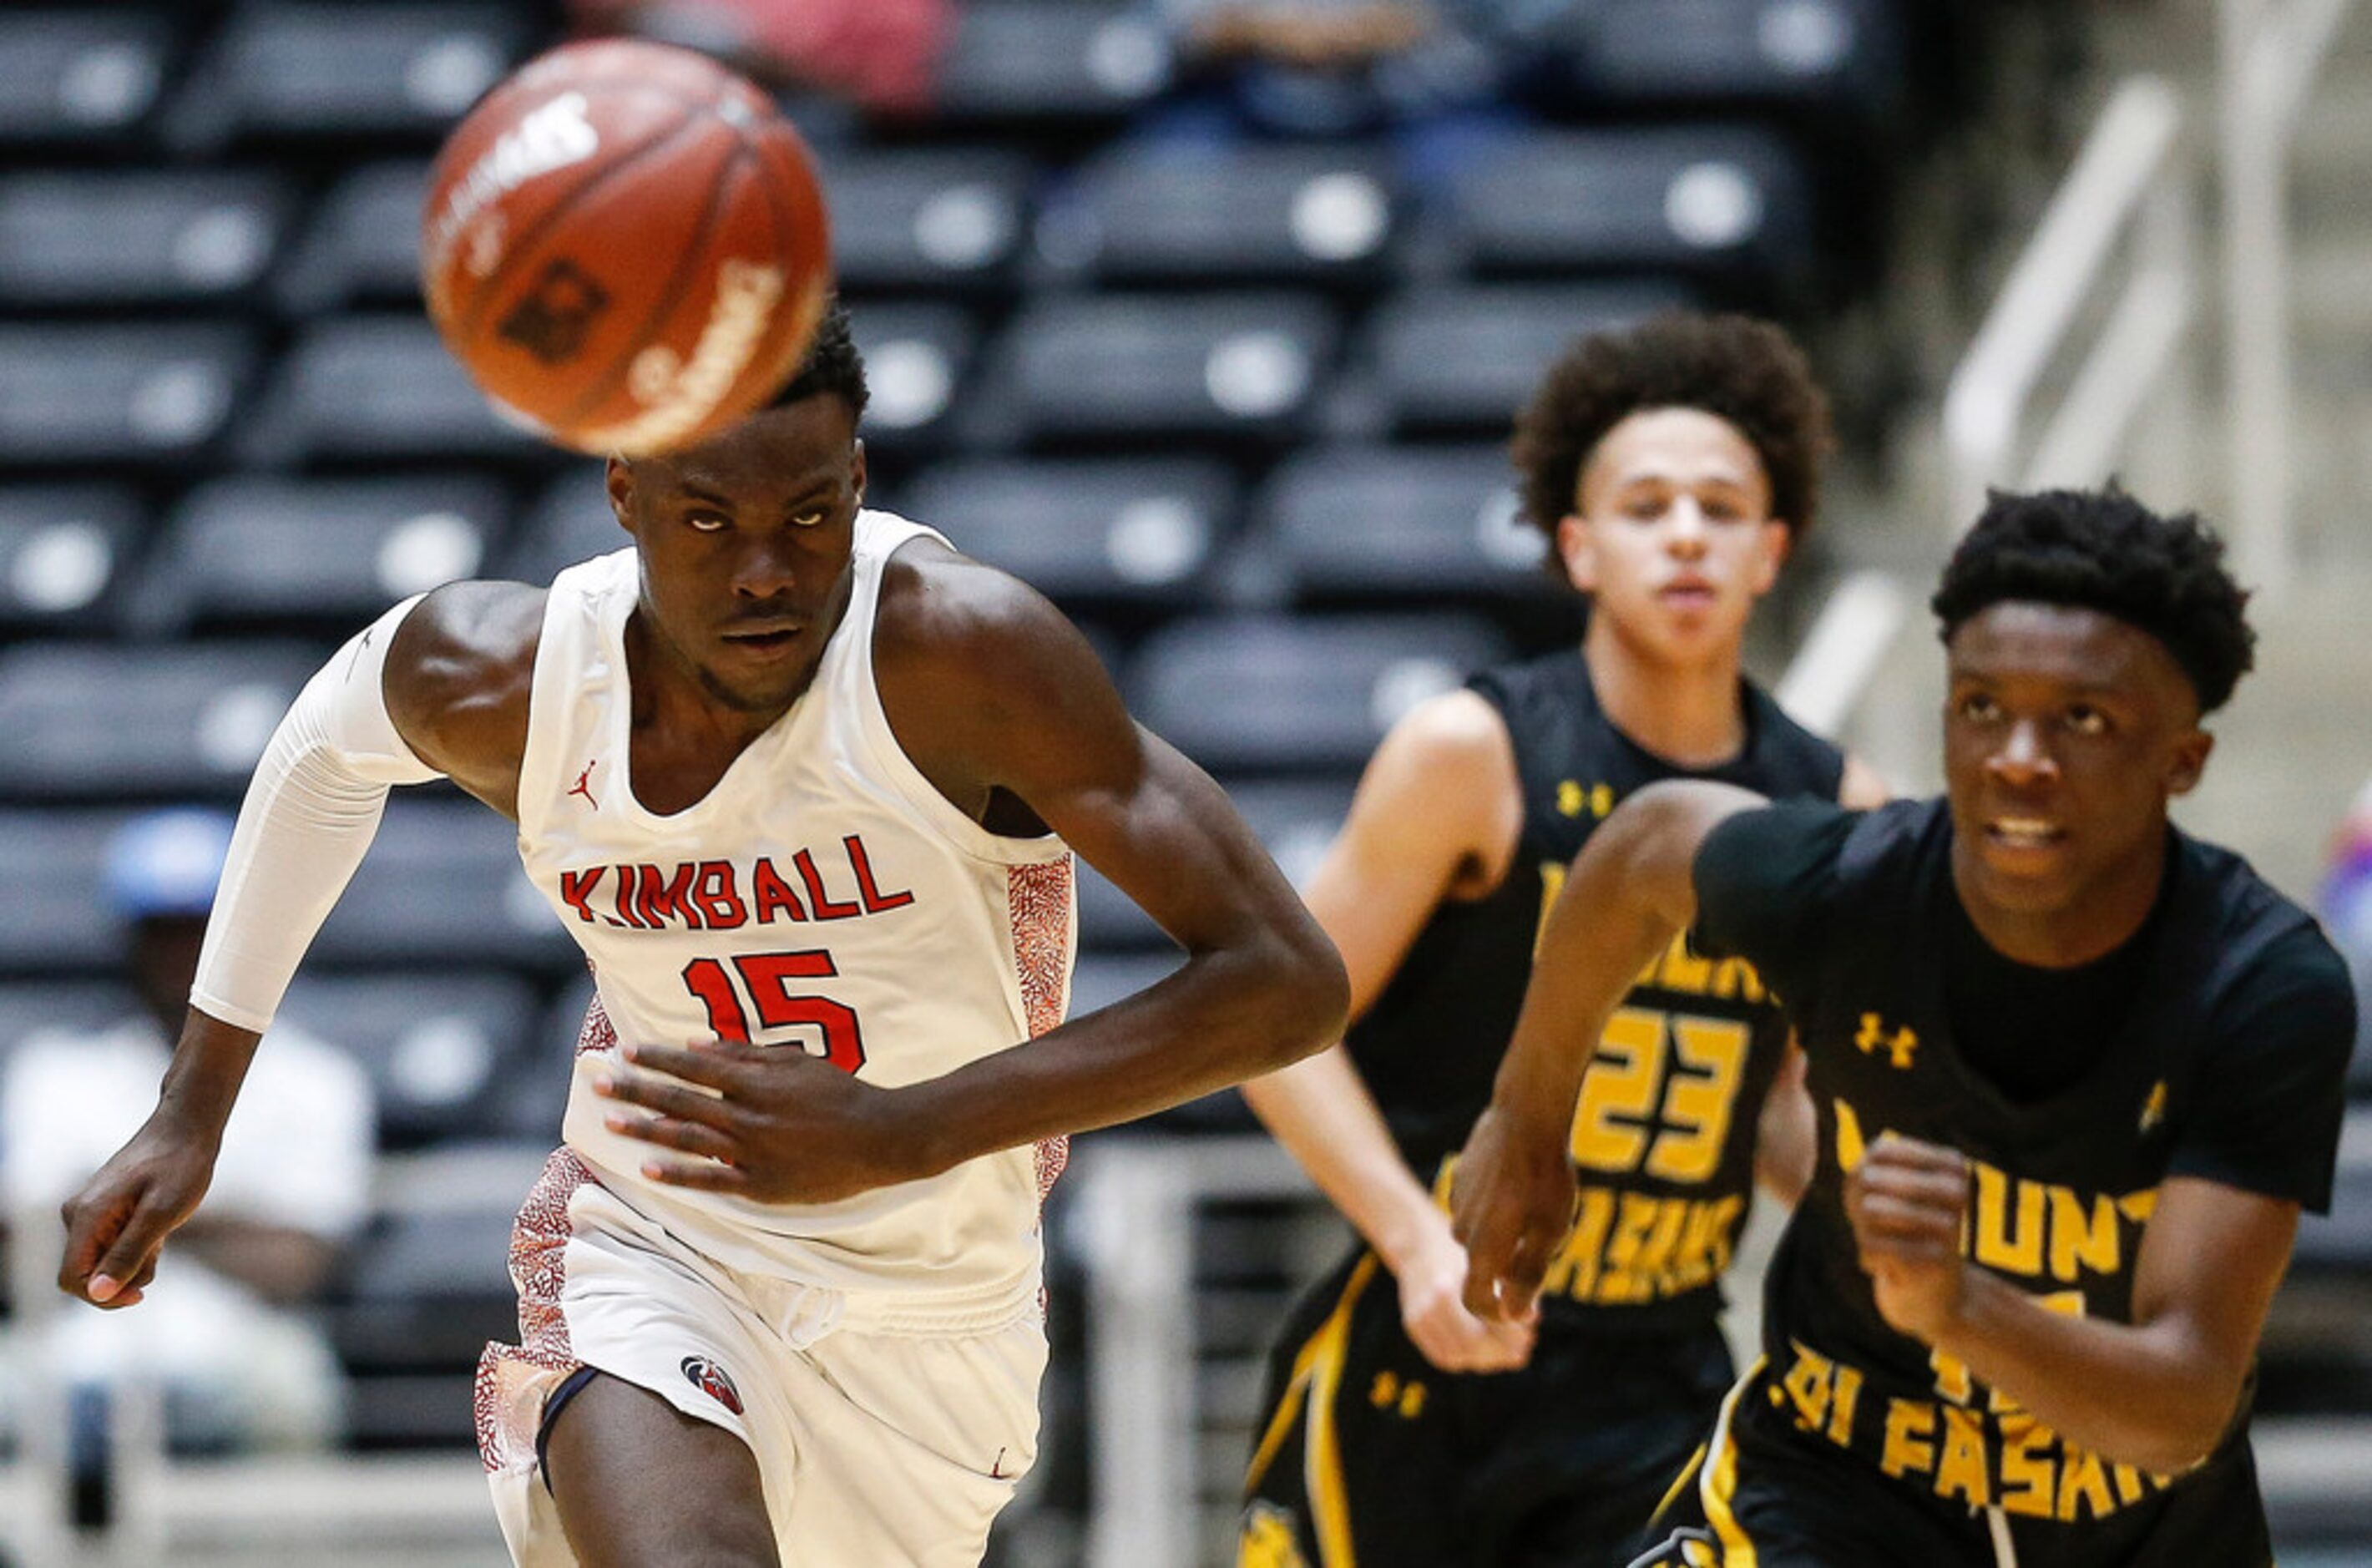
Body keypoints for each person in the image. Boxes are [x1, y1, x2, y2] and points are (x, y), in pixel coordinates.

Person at [55, 301, 1349, 1568]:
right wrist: (193, 1109)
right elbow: (321, 755)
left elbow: (1286, 980)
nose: (764, 571)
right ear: (625, 494)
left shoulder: (960, 652)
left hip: (937, 1309)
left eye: (807, 514)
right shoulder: (505, 677)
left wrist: (905, 1127)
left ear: (857, 479)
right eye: (706, 519)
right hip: (655, 1241)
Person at [1454, 486, 2354, 1567]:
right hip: (1833, 1485)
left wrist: (1958, 1303)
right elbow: (1642, 846)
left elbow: (2182, 1403)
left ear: (2181, 761)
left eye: (2082, 717)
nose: (2017, 754)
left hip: (2133, 1527)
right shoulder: (1851, 889)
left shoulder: (2259, 984)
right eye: (1981, 705)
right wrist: (1527, 1115)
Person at [1236, 311, 1886, 1568]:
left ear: (1773, 550)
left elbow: (1784, 1114)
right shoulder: (1470, 753)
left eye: (1720, 506)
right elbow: (1274, 1030)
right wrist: (1415, 1239)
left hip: (1660, 1376)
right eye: (1646, 505)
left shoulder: (1834, 803)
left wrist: (1921, 1236)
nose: (1686, 531)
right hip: (1422, 1358)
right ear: (1579, 548)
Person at [1, 808, 372, 1519]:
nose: (181, 954)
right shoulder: (56, 1070)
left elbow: (297, 1264)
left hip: (237, 1345)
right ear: (130, 942)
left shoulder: (317, 1078)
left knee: (296, 1386)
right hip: (73, 1349)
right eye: (160, 931)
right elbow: (25, 1245)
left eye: (201, 929)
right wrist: (209, 1215)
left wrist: (131, 1207)